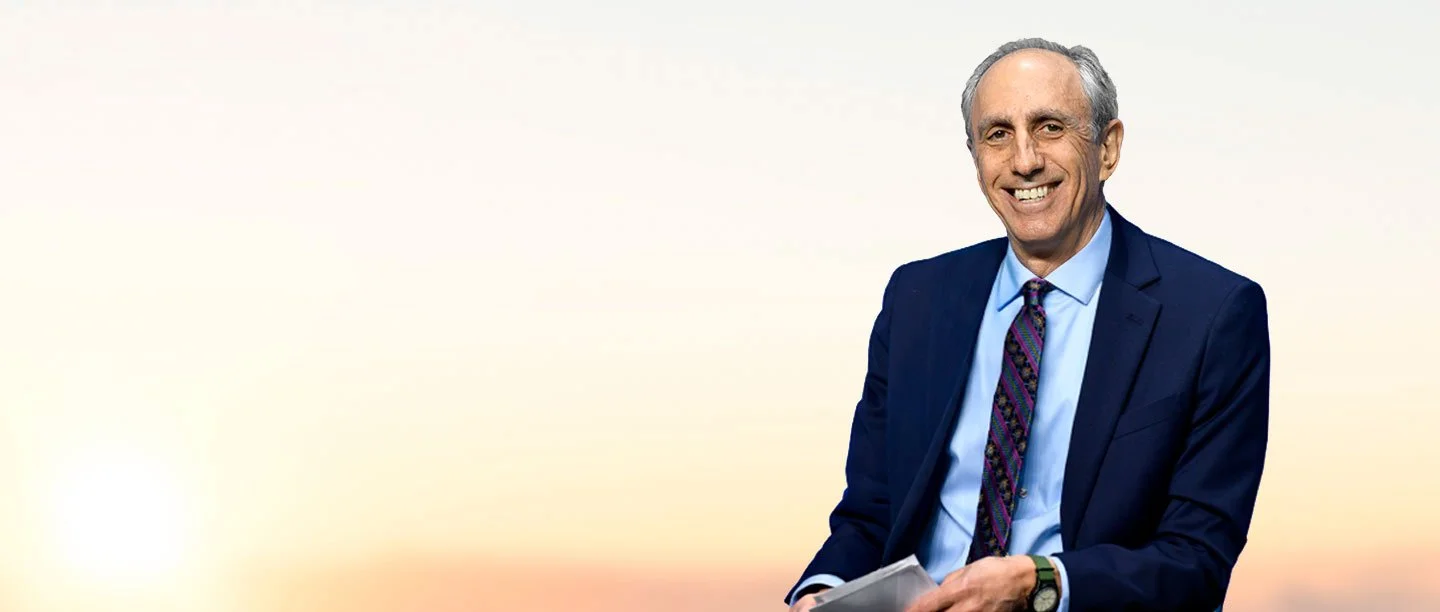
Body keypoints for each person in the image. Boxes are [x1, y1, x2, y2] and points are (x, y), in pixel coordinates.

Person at [786, 38, 1269, 612]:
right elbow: (870, 512)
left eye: (1049, 127)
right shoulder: (916, 299)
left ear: (1108, 148)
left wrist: (1038, 584)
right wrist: (823, 591)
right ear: (976, 159)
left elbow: (1197, 560)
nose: (1024, 160)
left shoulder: (1212, 313)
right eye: (997, 134)